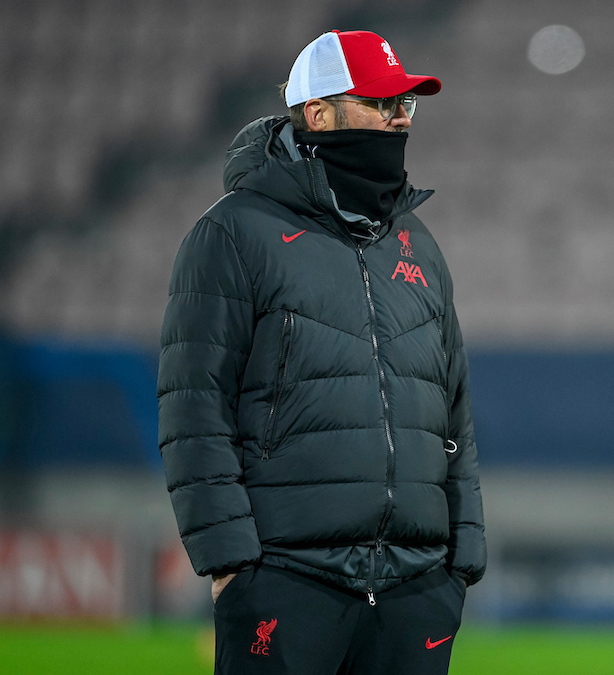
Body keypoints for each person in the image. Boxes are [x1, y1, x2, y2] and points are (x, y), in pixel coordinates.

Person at [158, 30, 485, 675]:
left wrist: (461, 561)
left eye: (406, 106)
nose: (398, 118)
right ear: (317, 114)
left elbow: (454, 415)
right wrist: (230, 562)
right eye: (380, 102)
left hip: (415, 588)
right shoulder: (230, 233)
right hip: (287, 579)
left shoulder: (418, 245)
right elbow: (193, 410)